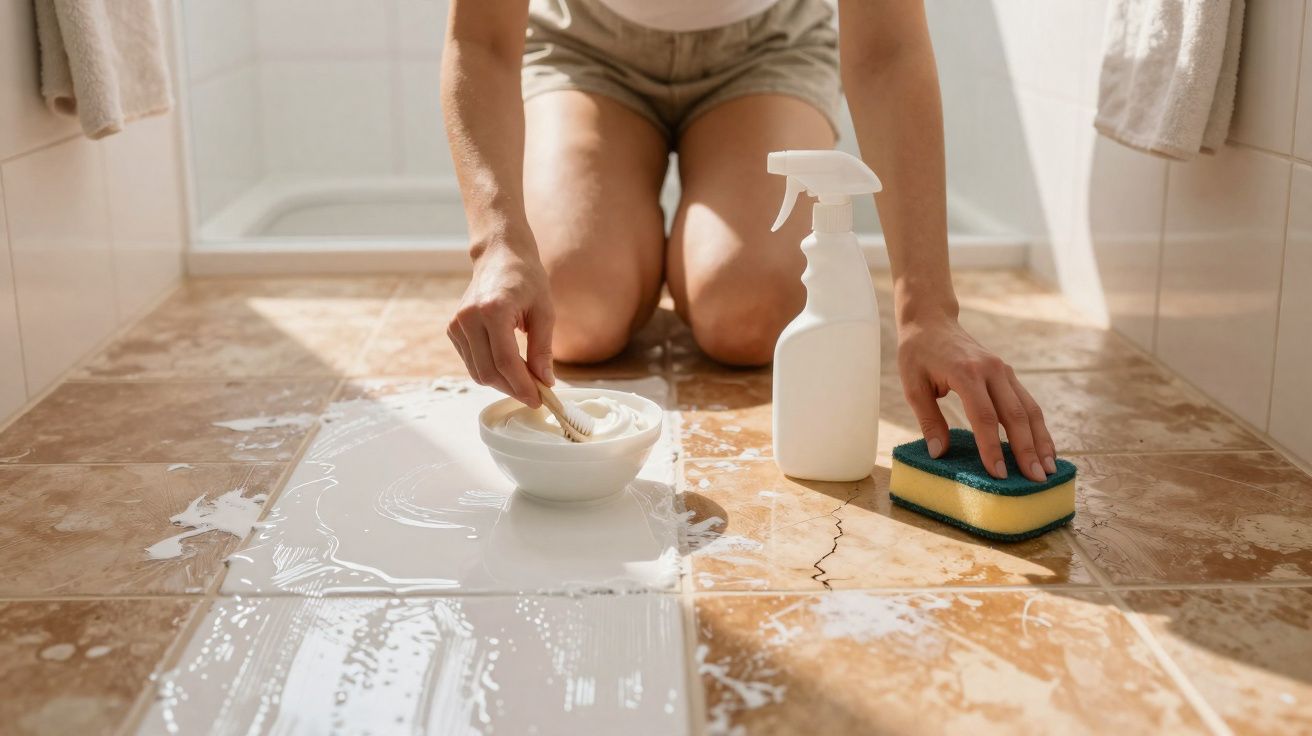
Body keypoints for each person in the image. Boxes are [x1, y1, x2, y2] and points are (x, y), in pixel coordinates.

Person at [441, 0, 1057, 482]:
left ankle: (679, 247)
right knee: (575, 305)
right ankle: (636, 243)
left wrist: (927, 309)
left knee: (747, 309)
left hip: (768, 51)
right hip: (585, 48)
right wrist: (497, 241)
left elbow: (887, 49)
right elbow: (482, 39)